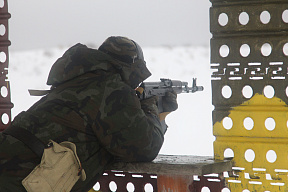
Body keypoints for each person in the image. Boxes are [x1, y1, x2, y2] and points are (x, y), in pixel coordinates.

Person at [0, 36, 178, 192]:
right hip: (24, 179)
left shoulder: (74, 80)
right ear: (131, 68)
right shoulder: (111, 88)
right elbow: (145, 148)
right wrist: (151, 108)